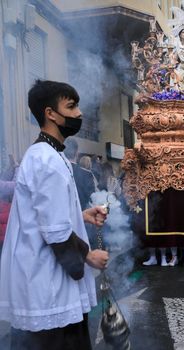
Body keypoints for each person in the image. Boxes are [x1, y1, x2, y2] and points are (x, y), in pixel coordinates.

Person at [0, 79, 109, 350]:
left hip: (44, 281)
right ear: (50, 113)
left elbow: (43, 214)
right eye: (70, 106)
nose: (79, 114)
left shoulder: (47, 154)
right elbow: (55, 230)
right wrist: (88, 256)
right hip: (46, 284)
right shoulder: (46, 159)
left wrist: (82, 215)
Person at [64, 137, 96, 210]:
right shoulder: (87, 174)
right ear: (77, 153)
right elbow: (93, 199)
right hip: (82, 217)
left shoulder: (56, 172)